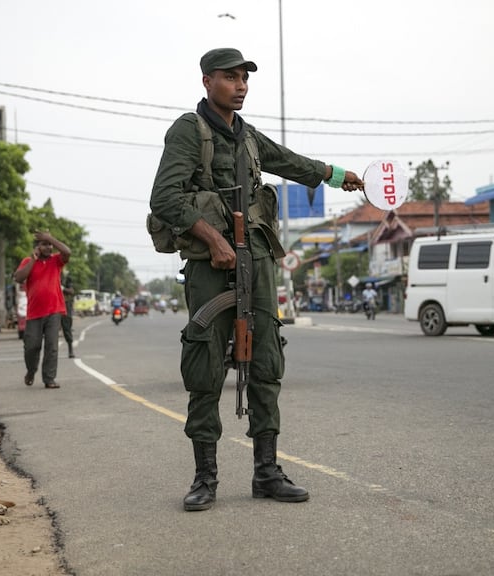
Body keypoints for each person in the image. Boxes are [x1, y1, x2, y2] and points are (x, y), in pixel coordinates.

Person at [150, 47, 365, 512]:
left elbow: (289, 162)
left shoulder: (247, 136)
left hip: (259, 258)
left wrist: (339, 176)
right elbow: (165, 199)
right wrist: (211, 239)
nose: (241, 85)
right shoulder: (190, 130)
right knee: (205, 364)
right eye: (230, 78)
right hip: (212, 265)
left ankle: (267, 472)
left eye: (245, 78)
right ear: (207, 81)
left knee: (267, 358)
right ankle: (205, 478)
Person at [13, 230, 71, 389]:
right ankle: (31, 371)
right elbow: (18, 278)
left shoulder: (56, 261)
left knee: (52, 347)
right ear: (37, 247)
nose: (49, 247)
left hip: (54, 310)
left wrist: (50, 237)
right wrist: (33, 259)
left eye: (50, 245)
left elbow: (67, 251)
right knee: (31, 346)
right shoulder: (28, 261)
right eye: (44, 244)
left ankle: (49, 379)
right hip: (34, 312)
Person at [61, 274, 76, 358]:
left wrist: (62, 288)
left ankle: (70, 349)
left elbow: (71, 291)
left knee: (67, 328)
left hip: (65, 305)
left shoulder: (66, 277)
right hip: (52, 304)